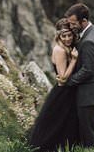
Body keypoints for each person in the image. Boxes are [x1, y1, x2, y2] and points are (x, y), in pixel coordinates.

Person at [60, 3, 94, 149]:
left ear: (83, 21)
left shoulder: (88, 41)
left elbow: (87, 70)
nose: (71, 27)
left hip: (90, 94)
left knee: (88, 131)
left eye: (73, 23)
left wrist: (68, 81)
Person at [27, 18, 81, 151]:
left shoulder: (67, 47)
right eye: (64, 36)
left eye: (70, 35)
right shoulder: (60, 50)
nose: (68, 38)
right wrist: (74, 60)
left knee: (64, 124)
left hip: (68, 92)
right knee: (56, 125)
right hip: (63, 93)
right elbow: (62, 78)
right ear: (59, 36)